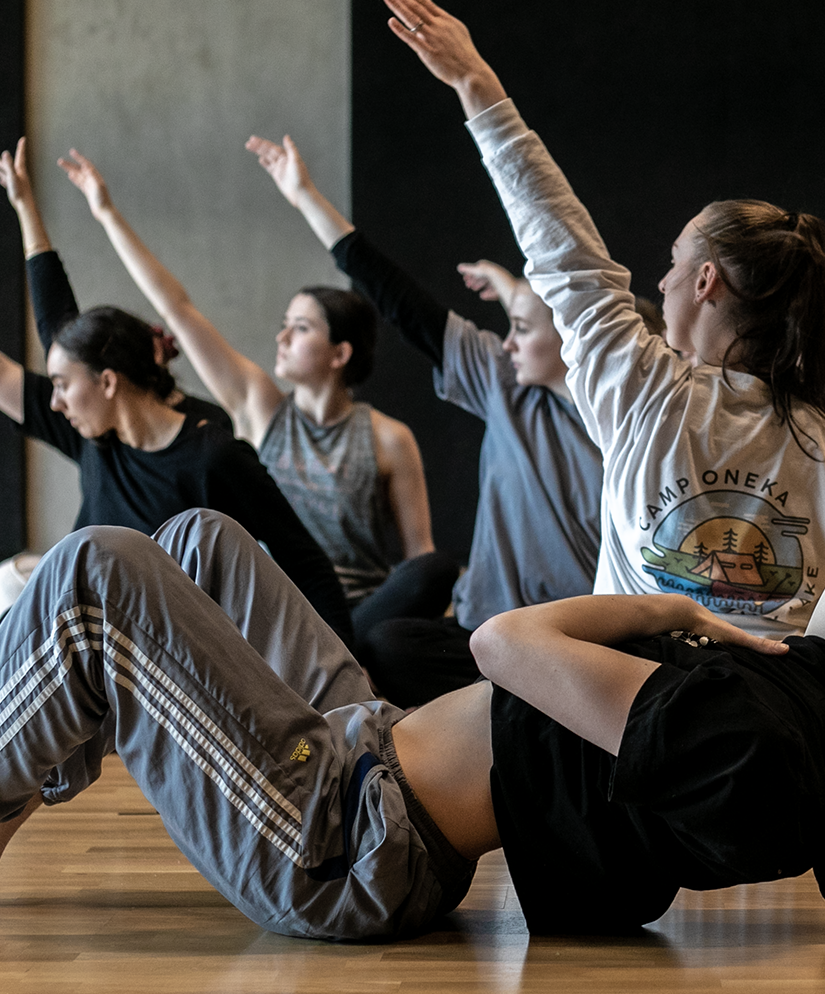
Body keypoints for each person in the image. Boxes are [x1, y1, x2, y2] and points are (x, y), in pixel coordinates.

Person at [0, 485, 825, 942]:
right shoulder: (823, 704)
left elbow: (505, 643)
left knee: (97, 573)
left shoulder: (761, 772)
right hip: (363, 741)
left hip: (340, 842)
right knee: (199, 543)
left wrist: (661, 611)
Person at [375, 0, 825, 731]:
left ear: (706, 281)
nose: (662, 278)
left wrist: (478, 88)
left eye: (676, 260)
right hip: (779, 745)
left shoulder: (646, 387)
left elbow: (563, 248)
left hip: (637, 734)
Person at [243, 132, 605, 706]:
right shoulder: (506, 385)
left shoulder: (624, 421)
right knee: (390, 645)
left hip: (575, 640)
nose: (506, 343)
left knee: (427, 584)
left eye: (521, 329)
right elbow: (400, 300)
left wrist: (518, 292)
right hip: (484, 633)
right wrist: (304, 195)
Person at [51, 147, 457, 641]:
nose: (282, 337)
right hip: (279, 607)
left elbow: (419, 558)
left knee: (434, 572)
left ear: (340, 353)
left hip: (359, 614)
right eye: (284, 324)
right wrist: (106, 212)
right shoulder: (263, 408)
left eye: (302, 328)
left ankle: (363, 660)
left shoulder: (390, 438)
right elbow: (177, 308)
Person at [0, 268, 351, 639]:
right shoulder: (95, 438)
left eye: (63, 385)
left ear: (108, 381)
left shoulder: (214, 457)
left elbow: (304, 561)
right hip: (100, 637)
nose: (55, 402)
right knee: (10, 581)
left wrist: (347, 679)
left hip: (180, 647)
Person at [0, 138, 233, 618]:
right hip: (96, 594)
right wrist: (27, 209)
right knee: (9, 581)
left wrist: (99, 211)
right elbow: (57, 325)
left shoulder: (205, 438)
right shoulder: (100, 428)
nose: (59, 401)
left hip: (165, 612)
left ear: (116, 375)